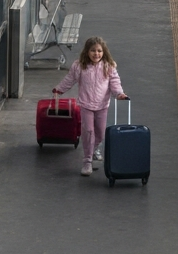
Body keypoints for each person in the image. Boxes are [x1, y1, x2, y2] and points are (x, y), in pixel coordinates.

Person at [52, 37, 128, 176]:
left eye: (99, 51)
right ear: (87, 51)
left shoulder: (108, 66)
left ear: (104, 52)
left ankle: (93, 149)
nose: (96, 54)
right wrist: (59, 89)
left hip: (102, 105)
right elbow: (70, 79)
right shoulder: (79, 66)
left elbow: (115, 83)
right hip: (85, 104)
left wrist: (119, 94)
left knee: (100, 133)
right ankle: (87, 161)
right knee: (88, 132)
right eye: (93, 50)